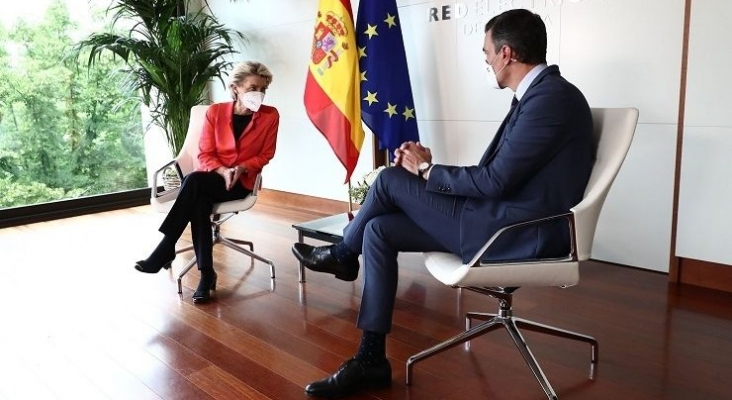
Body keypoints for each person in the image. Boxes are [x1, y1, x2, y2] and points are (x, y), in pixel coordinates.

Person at [292, 8, 595, 398]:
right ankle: (371, 358)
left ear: (507, 54)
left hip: (513, 232)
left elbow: (495, 181)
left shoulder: (550, 100)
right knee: (380, 230)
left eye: (486, 52)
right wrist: (428, 169)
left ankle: (344, 253)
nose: (485, 60)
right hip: (501, 218)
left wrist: (427, 170)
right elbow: (498, 175)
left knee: (387, 179)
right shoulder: (541, 95)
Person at [135, 61, 279, 304]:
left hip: (241, 183)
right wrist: (223, 170)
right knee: (198, 196)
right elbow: (204, 154)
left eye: (263, 89)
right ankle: (206, 275)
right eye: (253, 88)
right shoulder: (215, 113)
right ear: (236, 88)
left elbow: (266, 154)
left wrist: (242, 167)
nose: (259, 94)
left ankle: (167, 248)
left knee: (193, 186)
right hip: (213, 178)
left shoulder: (269, 115)